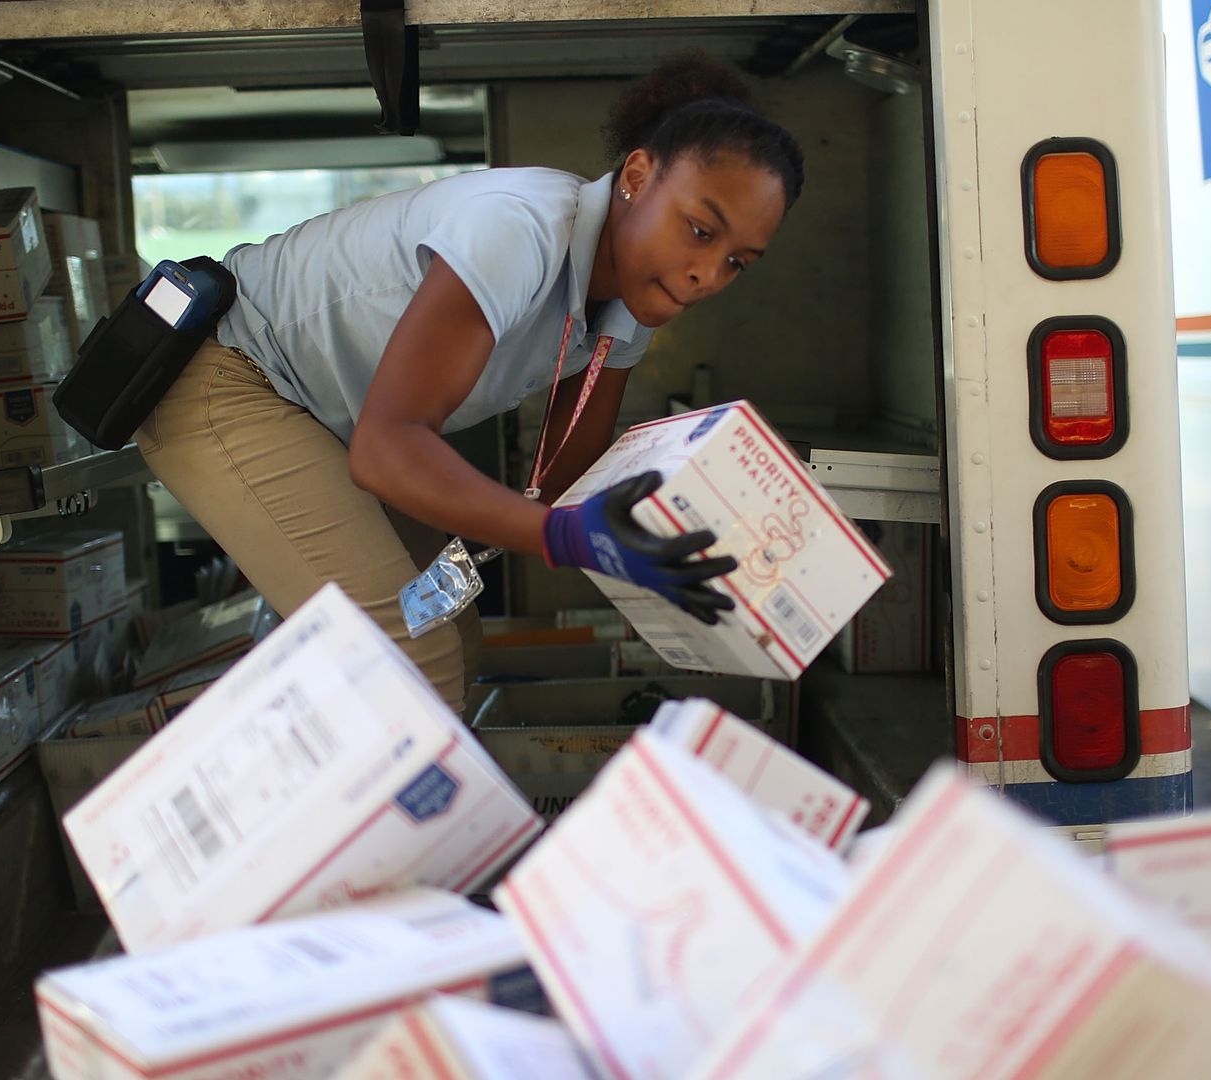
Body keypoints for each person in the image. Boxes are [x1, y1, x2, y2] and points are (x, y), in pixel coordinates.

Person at [136, 53, 806, 713]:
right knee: (408, 660)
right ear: (636, 175)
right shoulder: (520, 228)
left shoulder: (630, 304)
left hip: (325, 421)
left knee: (451, 628)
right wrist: (566, 536)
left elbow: (567, 480)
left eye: (738, 262)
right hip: (231, 378)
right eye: (699, 230)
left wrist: (700, 538)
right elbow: (387, 449)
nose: (707, 276)